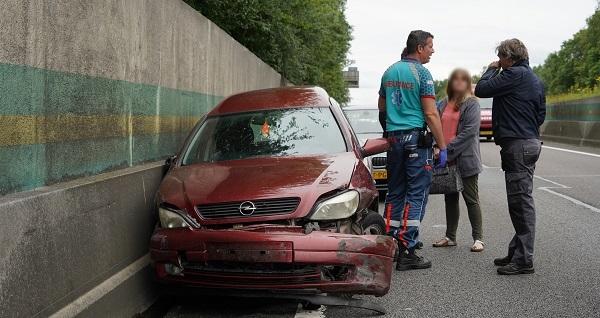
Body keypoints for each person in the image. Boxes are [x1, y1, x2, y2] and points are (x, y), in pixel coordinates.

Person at [475, 38, 546, 275]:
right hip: (528, 142)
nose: (500, 62)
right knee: (519, 202)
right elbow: (541, 114)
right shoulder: (533, 78)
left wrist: (491, 69)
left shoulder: (512, 73)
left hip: (518, 145)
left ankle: (524, 260)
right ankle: (517, 251)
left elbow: (481, 89)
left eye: (501, 58)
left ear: (509, 57)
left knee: (521, 204)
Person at [378, 30, 447, 271]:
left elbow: (382, 106)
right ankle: (408, 249)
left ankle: (390, 245)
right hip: (416, 140)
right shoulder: (423, 73)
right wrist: (443, 145)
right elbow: (430, 112)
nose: (432, 50)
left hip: (394, 140)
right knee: (416, 194)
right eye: (430, 46)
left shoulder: (389, 71)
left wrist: (391, 128)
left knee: (395, 192)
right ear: (419, 48)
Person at [432, 69, 484, 252]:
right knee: (450, 198)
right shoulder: (443, 103)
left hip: (466, 158)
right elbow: (434, 126)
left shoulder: (472, 104)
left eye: (463, 80)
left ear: (468, 83)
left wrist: (447, 149)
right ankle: (450, 236)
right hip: (446, 158)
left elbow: (469, 132)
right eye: (456, 79)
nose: (459, 82)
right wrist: (436, 146)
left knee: (471, 198)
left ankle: (478, 238)